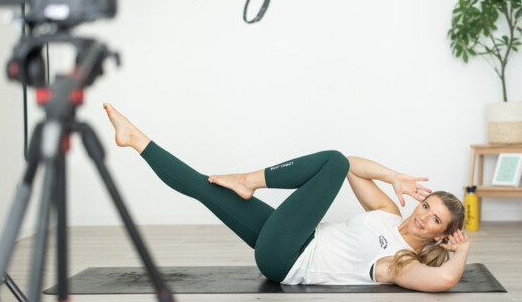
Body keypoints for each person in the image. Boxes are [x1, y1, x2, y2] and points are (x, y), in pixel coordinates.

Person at [103, 103, 470, 291]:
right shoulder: (387, 211)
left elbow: (444, 281)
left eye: (435, 219)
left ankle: (248, 180)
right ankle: (135, 139)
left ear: (442, 235)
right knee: (205, 186)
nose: (423, 216)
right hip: (289, 237)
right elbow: (353, 167)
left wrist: (462, 251)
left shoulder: (401, 261)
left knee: (332, 160)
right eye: (427, 206)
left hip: (289, 258)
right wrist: (392, 176)